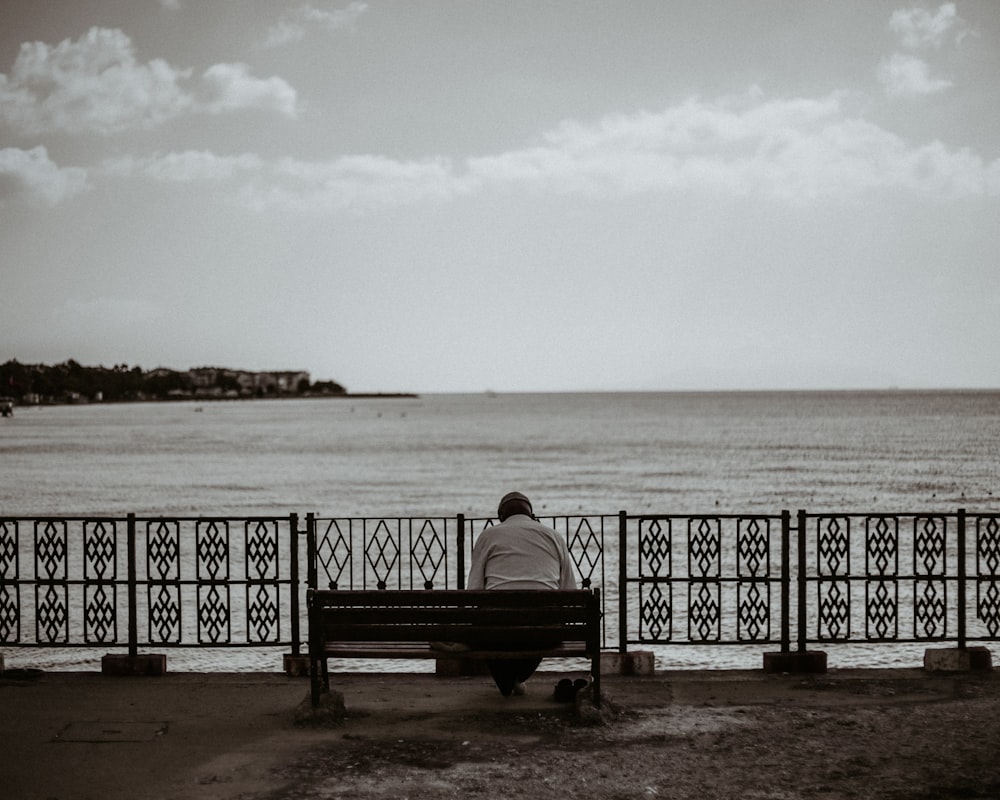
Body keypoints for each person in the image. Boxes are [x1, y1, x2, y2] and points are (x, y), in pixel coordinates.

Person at [466, 491, 577, 696]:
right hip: (544, 633)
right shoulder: (554, 537)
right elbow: (569, 589)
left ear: (501, 516)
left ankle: (506, 681)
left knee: (484, 628)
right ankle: (515, 679)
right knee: (542, 623)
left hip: (497, 632)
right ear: (531, 514)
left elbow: (474, 590)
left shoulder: (488, 535)